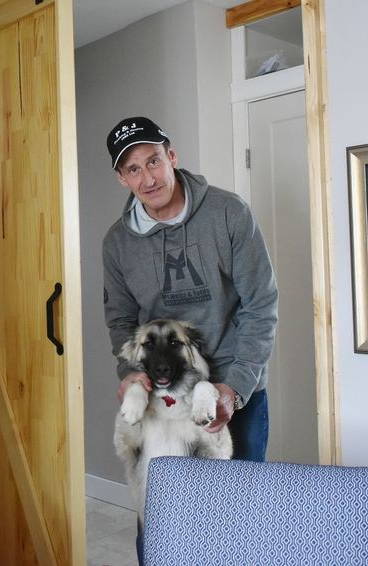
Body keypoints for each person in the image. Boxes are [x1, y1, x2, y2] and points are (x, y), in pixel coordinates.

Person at [103, 115, 278, 561]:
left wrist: (233, 387)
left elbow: (261, 306)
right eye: (134, 169)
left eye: (154, 161)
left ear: (172, 157)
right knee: (160, 524)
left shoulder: (228, 212)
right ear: (122, 178)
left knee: (233, 525)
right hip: (162, 399)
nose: (148, 177)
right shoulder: (118, 244)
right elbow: (121, 320)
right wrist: (131, 375)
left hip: (233, 390)